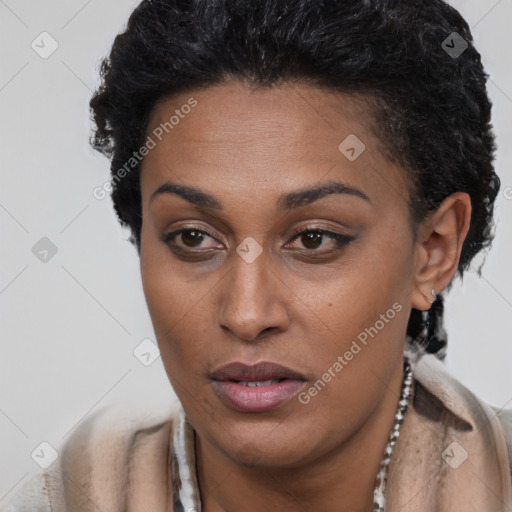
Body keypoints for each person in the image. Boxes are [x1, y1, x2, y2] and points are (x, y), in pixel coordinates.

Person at [3, 0, 511, 510]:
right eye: (193, 238)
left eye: (314, 239)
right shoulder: (69, 495)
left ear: (434, 250)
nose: (246, 315)